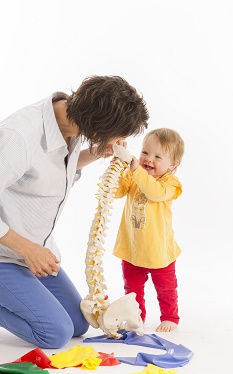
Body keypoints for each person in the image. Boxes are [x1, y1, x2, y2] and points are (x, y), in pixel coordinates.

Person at [0, 75, 149, 348]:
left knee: (78, 325)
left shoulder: (74, 123)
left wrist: (95, 153)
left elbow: (50, 171)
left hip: (34, 250)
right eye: (119, 134)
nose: (122, 140)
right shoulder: (18, 136)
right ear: (97, 124)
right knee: (54, 333)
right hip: (6, 253)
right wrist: (28, 250)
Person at [113, 128, 184, 332]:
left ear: (172, 164)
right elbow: (117, 192)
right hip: (132, 249)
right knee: (132, 289)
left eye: (157, 156)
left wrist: (137, 171)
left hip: (159, 251)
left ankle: (170, 316)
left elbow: (154, 193)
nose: (148, 159)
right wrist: (118, 168)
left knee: (166, 288)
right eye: (145, 152)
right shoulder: (135, 176)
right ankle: (137, 317)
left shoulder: (170, 183)